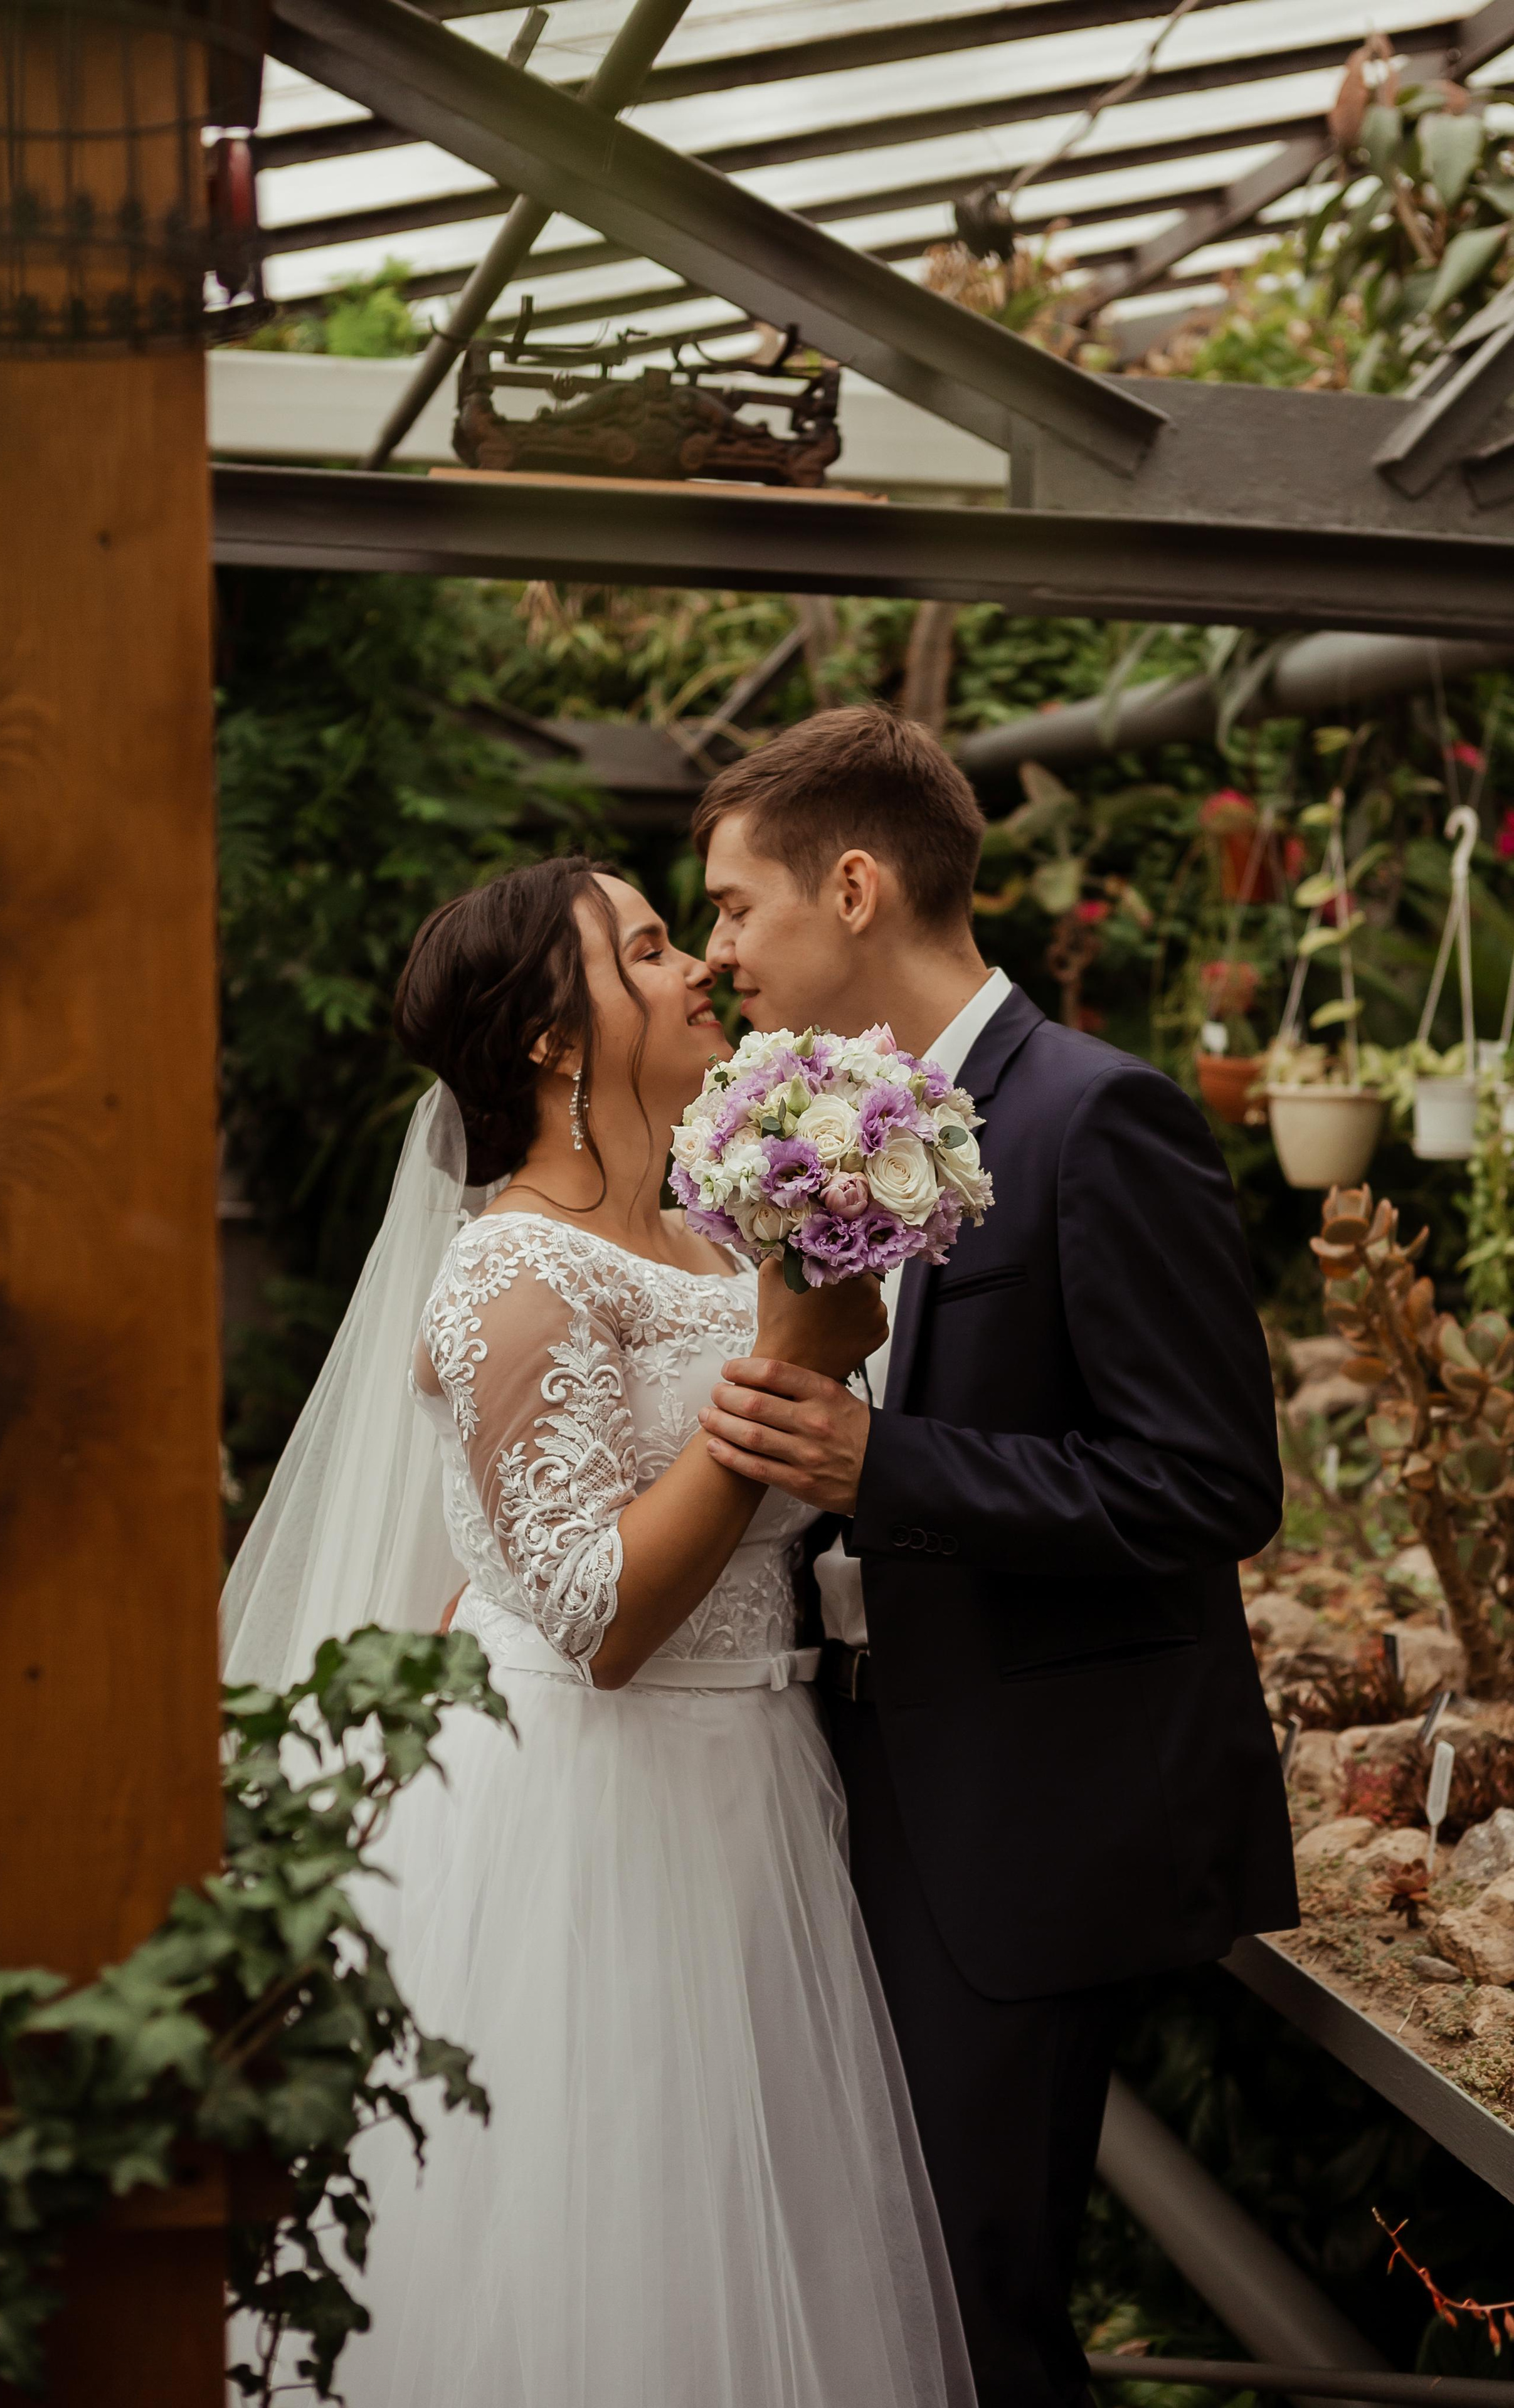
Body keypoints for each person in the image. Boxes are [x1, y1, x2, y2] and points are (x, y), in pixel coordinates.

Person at [222, 853, 978, 2408]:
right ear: (555, 1041)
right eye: (643, 950)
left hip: (758, 1783)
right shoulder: (510, 1265)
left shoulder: (713, 1229)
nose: (693, 967)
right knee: (599, 2251)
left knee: (766, 2253)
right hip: (589, 1820)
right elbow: (595, 1615)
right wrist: (786, 1360)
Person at [694, 705, 1299, 2408]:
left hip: (1030, 1808)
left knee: (974, 2306)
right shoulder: (803, 1134)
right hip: (842, 1779)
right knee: (859, 2287)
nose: (722, 950)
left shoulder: (1099, 1120)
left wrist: (895, 1462)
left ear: (860, 887)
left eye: (739, 906)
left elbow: (1208, 1485)